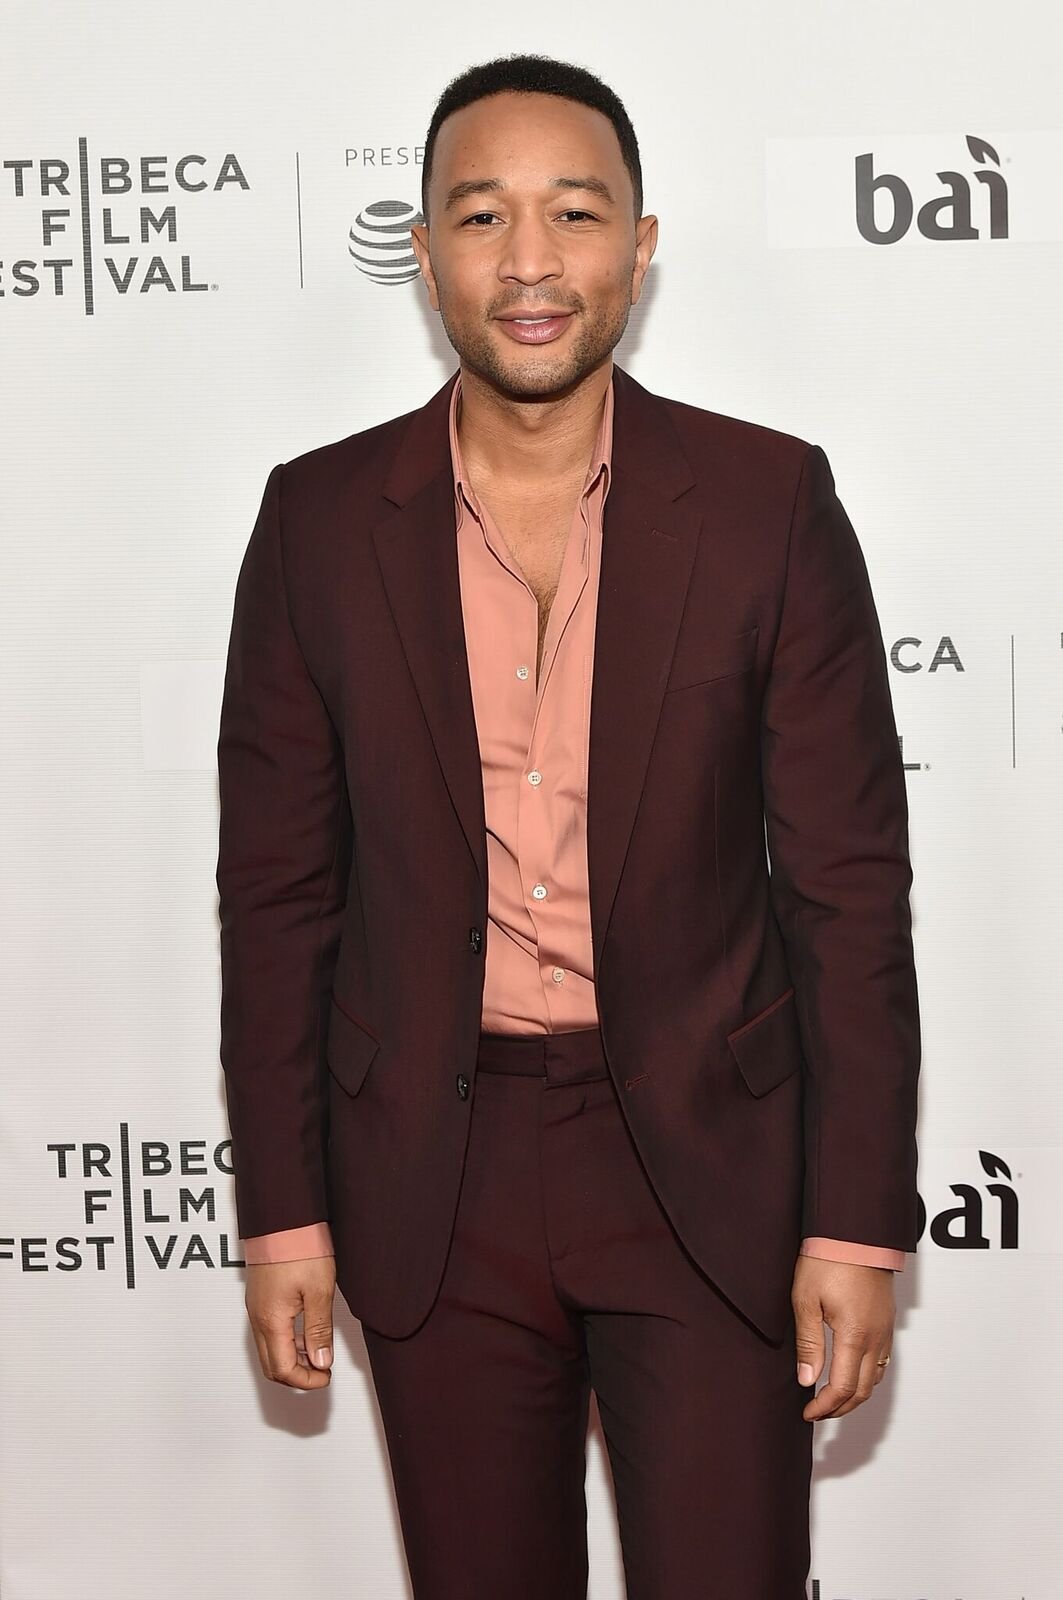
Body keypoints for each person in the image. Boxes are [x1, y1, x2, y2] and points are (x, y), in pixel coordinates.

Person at [215, 52, 920, 1600]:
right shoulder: (318, 524)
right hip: (431, 1173)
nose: (530, 262)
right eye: (482, 217)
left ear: (641, 246)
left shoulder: (766, 505)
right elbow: (277, 902)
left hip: (708, 1172)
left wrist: (859, 1224)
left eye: (575, 213)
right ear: (425, 254)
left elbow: (849, 894)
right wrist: (283, 1210)